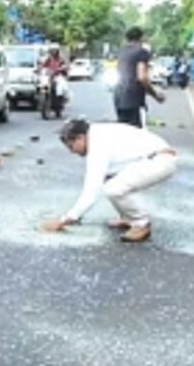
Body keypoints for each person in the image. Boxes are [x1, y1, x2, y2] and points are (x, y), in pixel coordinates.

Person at [42, 118, 177, 243]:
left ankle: (141, 223)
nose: (72, 152)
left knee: (113, 188)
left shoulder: (98, 146)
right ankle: (128, 217)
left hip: (161, 160)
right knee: (110, 179)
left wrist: (66, 219)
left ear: (80, 138)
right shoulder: (96, 134)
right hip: (150, 158)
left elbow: (91, 191)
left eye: (71, 146)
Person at [114, 27, 165, 128]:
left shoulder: (121, 52)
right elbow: (142, 77)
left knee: (124, 132)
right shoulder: (141, 52)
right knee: (138, 135)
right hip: (134, 99)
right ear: (141, 38)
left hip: (119, 97)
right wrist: (155, 95)